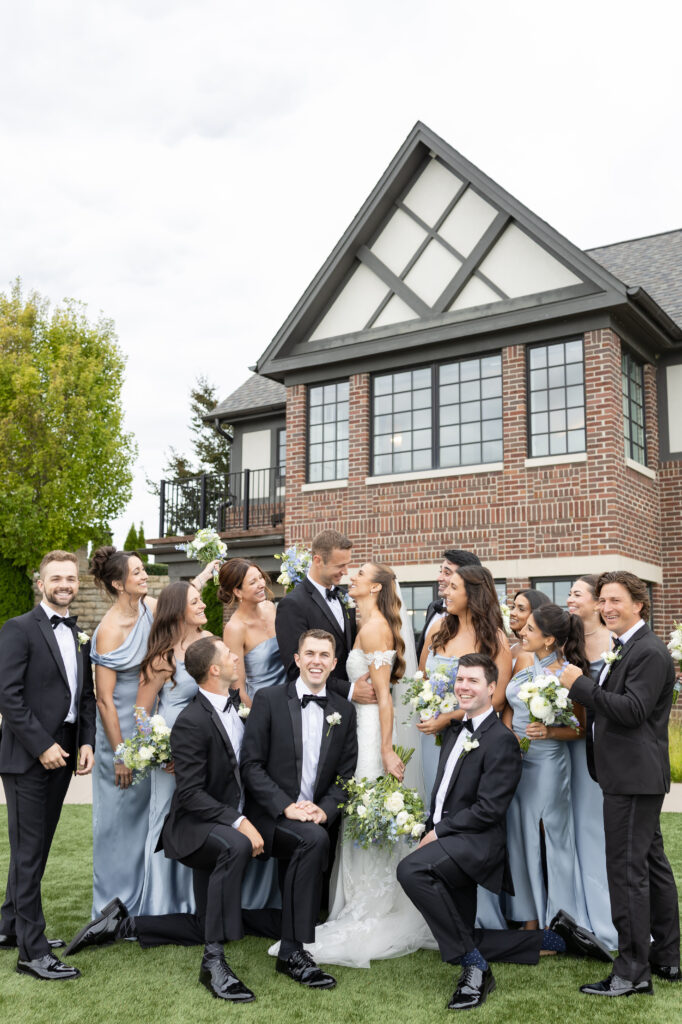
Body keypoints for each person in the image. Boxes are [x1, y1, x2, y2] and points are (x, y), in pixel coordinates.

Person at [398, 653, 612, 1011]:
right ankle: (557, 940)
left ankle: (476, 968)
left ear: (492, 688)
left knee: (411, 870)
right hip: (451, 839)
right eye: (460, 679)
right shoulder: (453, 730)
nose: (464, 687)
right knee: (464, 935)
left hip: (477, 844)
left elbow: (489, 810)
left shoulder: (502, 740)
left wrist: (440, 832)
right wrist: (427, 825)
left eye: (473, 681)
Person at [65, 635, 261, 1002]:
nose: (236, 657)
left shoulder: (238, 706)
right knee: (235, 845)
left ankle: (123, 924)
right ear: (214, 670)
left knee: (207, 922)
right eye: (228, 654)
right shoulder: (192, 720)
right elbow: (191, 795)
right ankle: (213, 963)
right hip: (194, 826)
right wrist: (240, 822)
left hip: (225, 817)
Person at [283, 562, 437, 967]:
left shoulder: (375, 629)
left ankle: (373, 907)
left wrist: (386, 749)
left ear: (376, 587)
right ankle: (363, 902)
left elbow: (385, 697)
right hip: (360, 728)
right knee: (360, 815)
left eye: (361, 573)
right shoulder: (365, 623)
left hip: (372, 734)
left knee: (366, 813)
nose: (353, 576)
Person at [561, 571, 680, 996]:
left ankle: (632, 972)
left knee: (627, 872)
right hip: (629, 774)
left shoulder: (647, 651)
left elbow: (632, 711)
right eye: (603, 600)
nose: (607, 607)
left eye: (615, 600)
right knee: (650, 863)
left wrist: (580, 686)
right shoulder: (627, 646)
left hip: (633, 778)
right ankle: (666, 956)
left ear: (638, 604)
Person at [89, 547, 215, 918]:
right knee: (118, 822)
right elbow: (104, 700)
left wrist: (204, 576)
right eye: (137, 572)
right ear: (118, 584)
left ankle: (149, 897)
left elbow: (181, 602)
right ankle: (113, 907)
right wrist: (121, 754)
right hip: (120, 727)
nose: (145, 576)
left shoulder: (150, 606)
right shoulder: (109, 630)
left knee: (151, 814)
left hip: (152, 724)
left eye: (144, 569)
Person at [240, 629, 358, 989]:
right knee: (313, 840)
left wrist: (325, 810)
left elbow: (346, 776)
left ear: (334, 664)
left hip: (312, 815)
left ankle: (291, 946)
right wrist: (286, 806)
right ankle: (293, 951)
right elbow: (250, 766)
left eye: (324, 655)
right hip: (269, 816)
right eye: (310, 654)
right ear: (297, 659)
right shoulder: (269, 699)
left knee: (314, 834)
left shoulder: (344, 710)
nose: (316, 661)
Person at [0, 550, 95, 981]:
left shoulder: (79, 634)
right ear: (41, 584)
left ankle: (9, 927)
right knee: (28, 853)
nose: (64, 585)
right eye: (56, 578)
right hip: (28, 757)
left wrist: (86, 741)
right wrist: (41, 746)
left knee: (34, 851)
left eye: (70, 578)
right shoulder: (18, 629)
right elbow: (8, 696)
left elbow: (85, 696)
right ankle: (32, 952)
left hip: (66, 754)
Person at [503, 603, 588, 931]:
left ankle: (559, 920)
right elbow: (510, 705)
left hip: (548, 764)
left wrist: (549, 731)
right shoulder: (524, 659)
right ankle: (528, 917)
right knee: (519, 835)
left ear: (549, 639)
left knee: (550, 837)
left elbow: (578, 729)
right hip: (516, 761)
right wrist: (509, 736)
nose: (522, 632)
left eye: (530, 629)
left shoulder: (568, 674)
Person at [135, 581, 213, 916]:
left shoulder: (212, 644)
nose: (203, 605)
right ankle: (162, 905)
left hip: (208, 748)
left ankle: (201, 902)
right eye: (195, 602)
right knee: (166, 817)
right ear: (178, 611)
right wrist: (161, 753)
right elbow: (141, 713)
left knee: (204, 817)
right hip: (172, 755)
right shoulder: (162, 657)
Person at [218, 558, 286, 914]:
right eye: (252, 581)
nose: (261, 584)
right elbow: (238, 688)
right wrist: (264, 721)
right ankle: (255, 897)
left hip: (291, 708)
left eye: (261, 578)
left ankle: (283, 889)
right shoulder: (235, 628)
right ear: (236, 591)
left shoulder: (275, 610)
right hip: (260, 717)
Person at [418, 565, 512, 800]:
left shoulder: (494, 638)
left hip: (473, 734)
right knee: (432, 797)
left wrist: (449, 718)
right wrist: (430, 714)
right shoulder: (438, 629)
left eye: (453, 587)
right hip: (432, 732)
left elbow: (498, 700)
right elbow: (422, 677)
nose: (445, 592)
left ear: (472, 594)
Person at [565, 576, 617, 948]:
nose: (570, 598)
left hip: (600, 748)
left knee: (592, 828)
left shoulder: (615, 643)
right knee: (567, 828)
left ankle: (606, 917)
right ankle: (573, 915)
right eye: (568, 593)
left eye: (577, 593)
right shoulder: (565, 641)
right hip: (564, 744)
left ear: (597, 602)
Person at [275, 529, 374, 704]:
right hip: (319, 704)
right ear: (318, 560)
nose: (346, 572)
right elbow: (296, 669)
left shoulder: (345, 597)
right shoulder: (292, 604)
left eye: (347, 564)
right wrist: (350, 690)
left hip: (353, 705)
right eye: (339, 566)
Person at [415, 549, 482, 661]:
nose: (439, 578)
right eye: (440, 571)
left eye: (447, 573)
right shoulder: (433, 607)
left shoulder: (484, 627)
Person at [508, 589, 550, 665]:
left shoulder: (540, 652)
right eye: (513, 607)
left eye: (521, 609)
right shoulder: (514, 647)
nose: (512, 613)